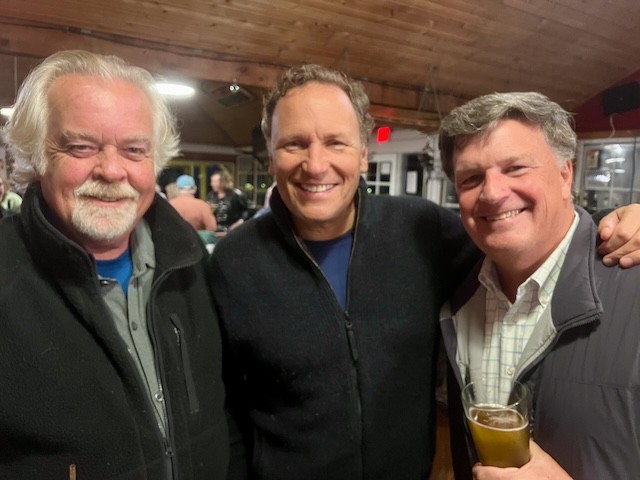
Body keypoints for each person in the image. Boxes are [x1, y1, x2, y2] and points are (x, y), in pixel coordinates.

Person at [207, 65, 640, 480]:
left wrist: (614, 223)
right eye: (294, 144)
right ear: (270, 157)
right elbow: (223, 405)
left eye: (336, 142)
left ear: (363, 154)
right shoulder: (234, 262)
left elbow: (520, 233)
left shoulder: (422, 231)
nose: (316, 164)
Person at [0, 50, 228, 479]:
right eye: (81, 147)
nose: (111, 170)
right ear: (36, 155)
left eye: (134, 149)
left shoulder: (193, 268)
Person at [438, 92, 640, 479]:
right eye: (472, 178)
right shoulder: (457, 297)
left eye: (515, 168)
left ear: (565, 175)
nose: (492, 192)